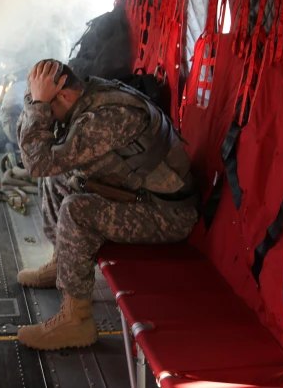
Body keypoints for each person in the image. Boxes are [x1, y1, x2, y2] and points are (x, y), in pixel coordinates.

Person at [15, 60, 198, 350]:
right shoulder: (84, 96)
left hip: (166, 214)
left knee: (76, 211)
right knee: (56, 177)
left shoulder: (107, 118)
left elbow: (37, 161)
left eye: (47, 109)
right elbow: (35, 154)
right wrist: (35, 101)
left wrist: (37, 102)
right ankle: (63, 263)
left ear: (63, 95)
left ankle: (77, 321)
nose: (46, 118)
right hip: (136, 193)